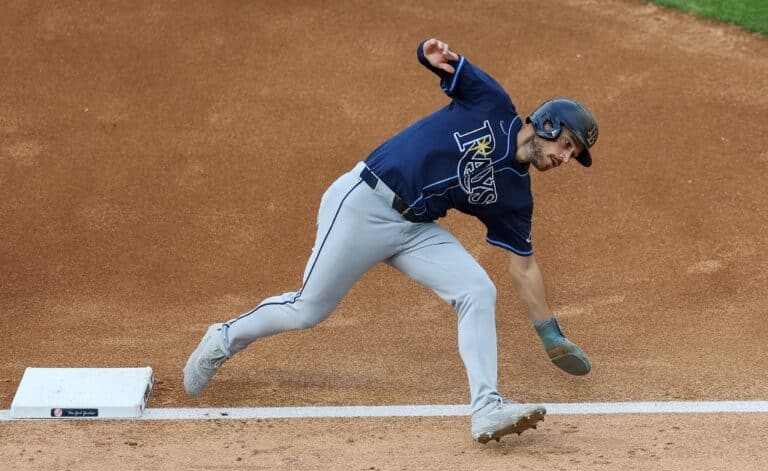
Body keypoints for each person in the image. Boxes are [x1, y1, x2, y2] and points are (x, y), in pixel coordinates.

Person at [184, 38, 598, 444]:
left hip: (415, 229)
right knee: (306, 309)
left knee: (477, 290)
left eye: (571, 155)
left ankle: (487, 407)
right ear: (546, 123)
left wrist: (550, 334)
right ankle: (222, 338)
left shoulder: (515, 196)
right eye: (565, 146)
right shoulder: (492, 104)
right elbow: (442, 63)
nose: (563, 158)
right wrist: (430, 53)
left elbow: (523, 265)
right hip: (364, 202)